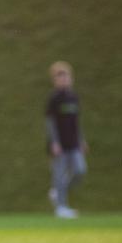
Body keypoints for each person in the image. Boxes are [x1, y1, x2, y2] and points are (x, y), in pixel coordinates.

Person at [45, 61, 87, 219]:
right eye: (60, 77)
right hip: (59, 145)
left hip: (74, 143)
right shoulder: (53, 99)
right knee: (59, 175)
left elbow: (77, 121)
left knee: (80, 171)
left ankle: (57, 193)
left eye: (66, 77)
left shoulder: (73, 97)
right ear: (55, 80)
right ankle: (61, 208)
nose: (63, 80)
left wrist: (81, 139)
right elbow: (50, 123)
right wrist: (54, 142)